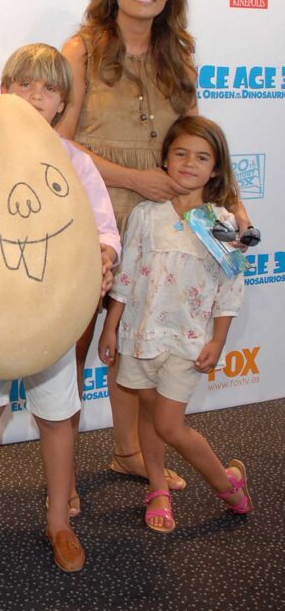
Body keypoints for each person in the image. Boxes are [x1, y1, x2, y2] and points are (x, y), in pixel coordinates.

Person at [60, 0, 253, 491]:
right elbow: (61, 144)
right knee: (73, 353)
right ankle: (63, 482)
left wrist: (232, 202)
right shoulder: (82, 51)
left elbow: (198, 138)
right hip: (91, 220)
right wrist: (132, 178)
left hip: (161, 229)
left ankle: (128, 453)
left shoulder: (179, 57)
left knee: (136, 349)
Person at [0, 44, 121, 572]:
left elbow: (104, 228)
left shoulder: (75, 162)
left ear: (63, 101)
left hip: (51, 316)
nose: (35, 95)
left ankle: (59, 520)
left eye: (48, 88)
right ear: (4, 91)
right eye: (24, 84)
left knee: (57, 417)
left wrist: (105, 254)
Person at [97, 115, 252, 531]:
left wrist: (218, 341)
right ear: (165, 158)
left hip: (188, 339)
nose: (189, 163)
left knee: (169, 423)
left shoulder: (222, 223)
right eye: (180, 153)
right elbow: (126, 276)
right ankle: (157, 489)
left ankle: (227, 484)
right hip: (140, 336)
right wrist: (111, 326)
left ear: (215, 169)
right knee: (149, 415)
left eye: (201, 157)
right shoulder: (146, 215)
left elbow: (229, 289)